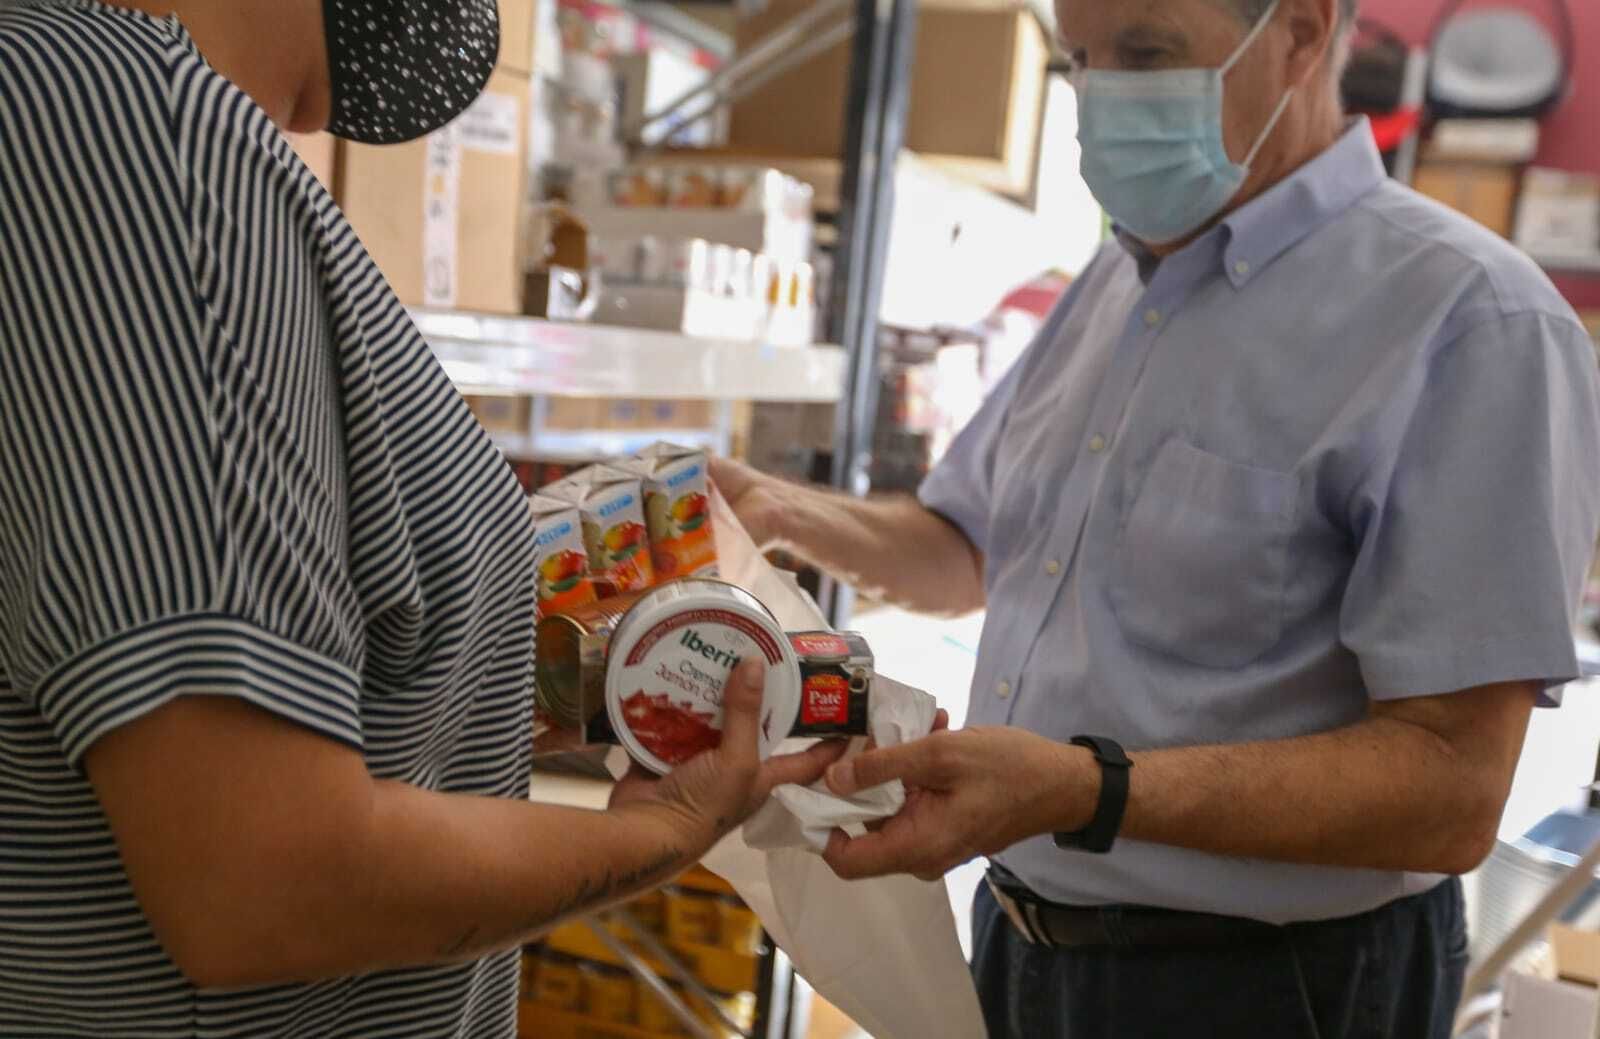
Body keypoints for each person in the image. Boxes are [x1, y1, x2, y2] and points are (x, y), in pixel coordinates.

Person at [715, 0, 1600, 1034]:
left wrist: (1085, 789)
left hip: (1270, 984)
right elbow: (964, 547)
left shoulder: (1468, 321)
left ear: (1304, 32)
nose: (1101, 99)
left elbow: (1451, 787)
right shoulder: (1118, 278)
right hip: (1022, 943)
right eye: (1078, 58)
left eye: (1146, 52)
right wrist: (780, 508)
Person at [0, 1, 841, 1034]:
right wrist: (665, 831)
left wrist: (475, 665)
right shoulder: (136, 136)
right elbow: (265, 876)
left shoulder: (135, 131)